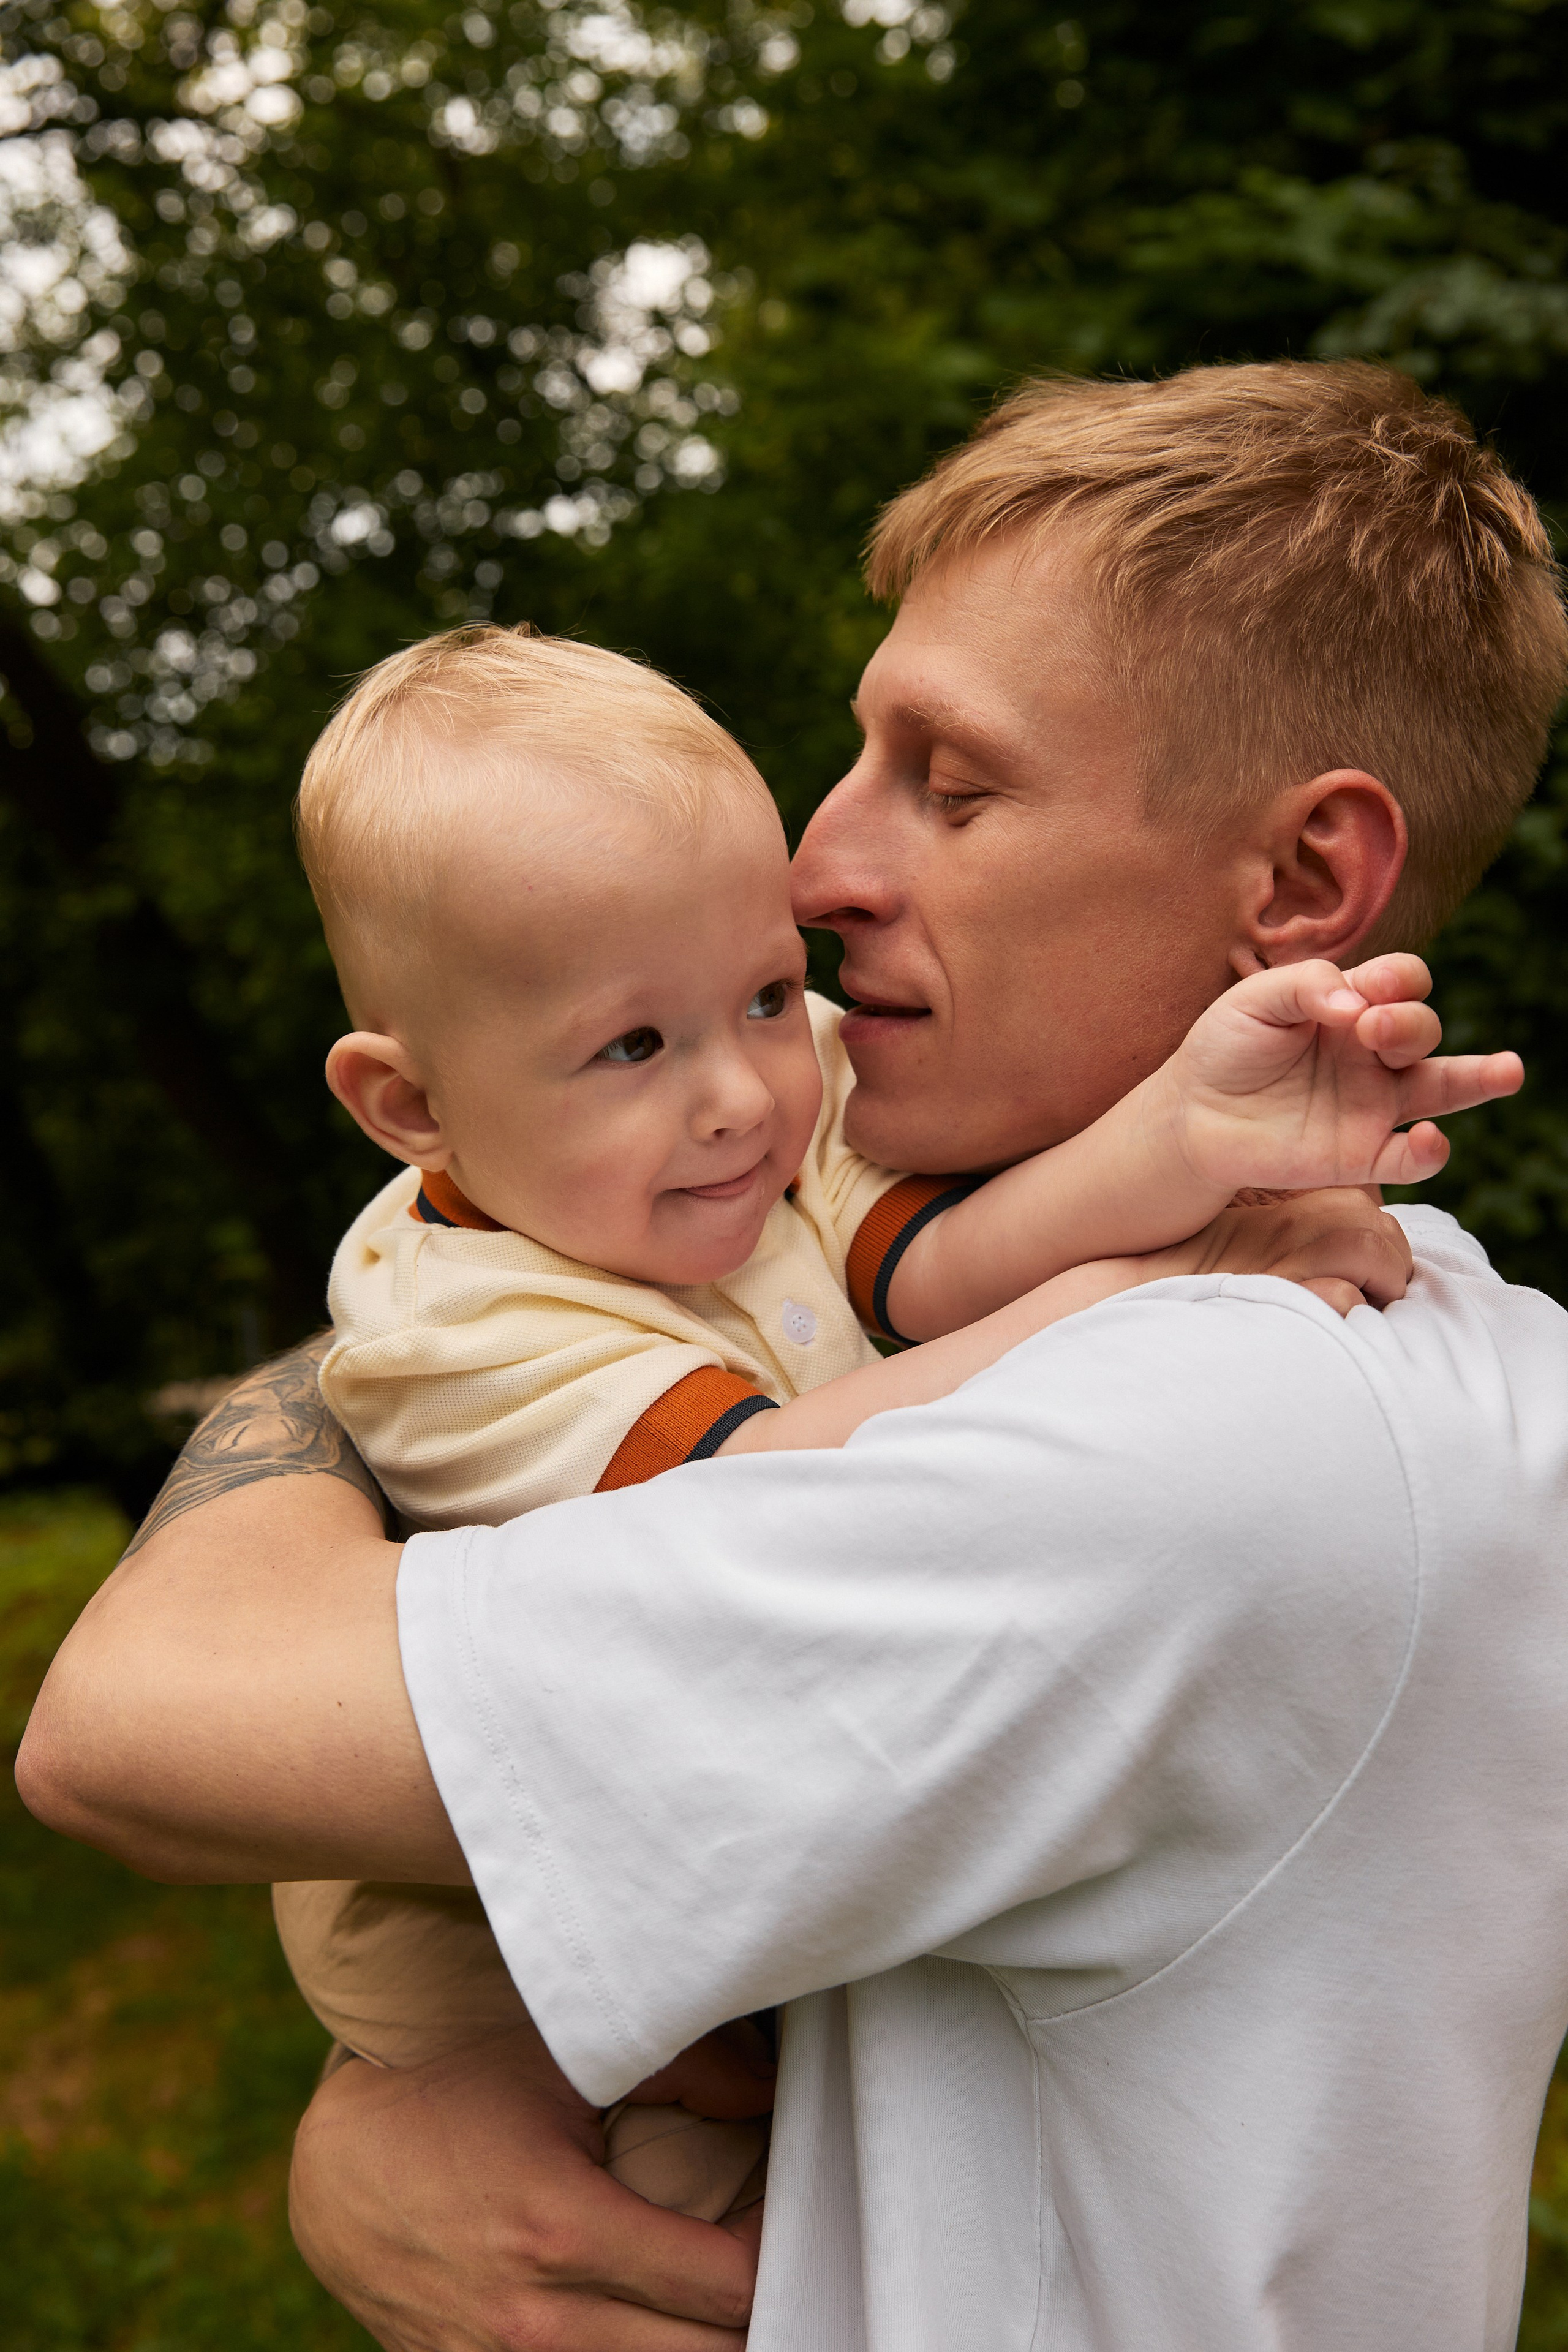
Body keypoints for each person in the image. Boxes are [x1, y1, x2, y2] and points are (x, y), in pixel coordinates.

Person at [19, 358, 1568, 2352]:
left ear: (1296, 885)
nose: (821, 866)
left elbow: (132, 1725)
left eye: (955, 779)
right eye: (855, 756)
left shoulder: (1192, 1436)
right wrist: (404, 2107)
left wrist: (397, 2093)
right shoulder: (1415, 1329)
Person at [276, 612, 1500, 2225]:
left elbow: (930, 1266)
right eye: (635, 1046)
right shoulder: (462, 1335)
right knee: (673, 2219)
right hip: (507, 1975)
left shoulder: (749, 1111)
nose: (747, 1093)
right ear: (411, 1106)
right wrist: (1132, 1291)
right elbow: (767, 1480)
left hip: (731, 1862)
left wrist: (1184, 1141)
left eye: (771, 995)